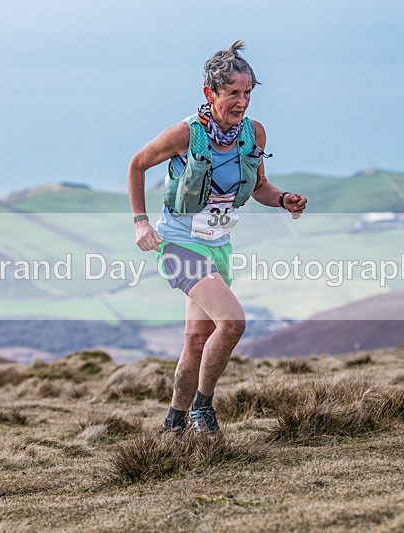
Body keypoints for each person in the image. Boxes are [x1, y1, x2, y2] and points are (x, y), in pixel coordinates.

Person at [127, 40, 307, 434]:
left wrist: (283, 200)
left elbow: (259, 187)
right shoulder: (184, 134)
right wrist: (141, 222)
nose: (241, 102)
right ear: (210, 93)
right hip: (178, 243)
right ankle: (202, 409)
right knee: (233, 322)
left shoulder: (253, 134)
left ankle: (173, 422)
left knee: (196, 340)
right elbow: (137, 165)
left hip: (219, 245)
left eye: (247, 93)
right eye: (232, 94)